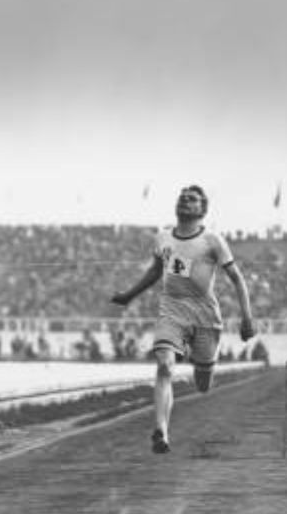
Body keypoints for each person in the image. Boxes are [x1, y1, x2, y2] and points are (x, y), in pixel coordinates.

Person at [111, 185, 255, 454]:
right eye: (182, 198)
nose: (185, 202)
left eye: (192, 200)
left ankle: (198, 359)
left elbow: (237, 279)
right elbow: (155, 271)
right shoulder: (163, 238)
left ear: (202, 209)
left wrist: (247, 318)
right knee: (165, 366)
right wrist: (129, 295)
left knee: (203, 384)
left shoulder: (213, 241)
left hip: (204, 315)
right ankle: (161, 432)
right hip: (172, 310)